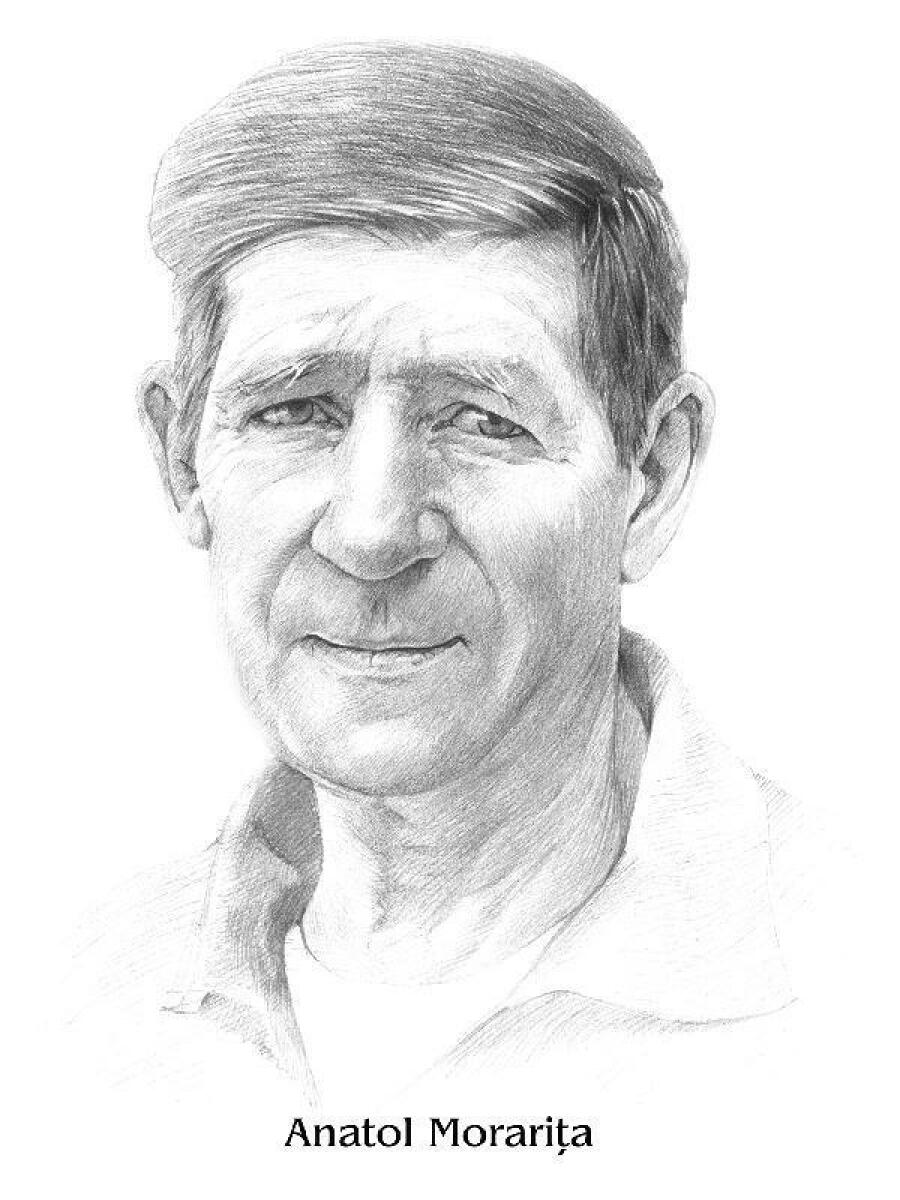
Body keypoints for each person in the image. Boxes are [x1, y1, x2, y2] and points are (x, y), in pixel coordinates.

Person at [69, 41, 810, 1111]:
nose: (372, 532)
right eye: (295, 411)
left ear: (650, 477)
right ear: (182, 460)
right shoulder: (67, 1003)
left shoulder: (856, 975)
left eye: (481, 419)